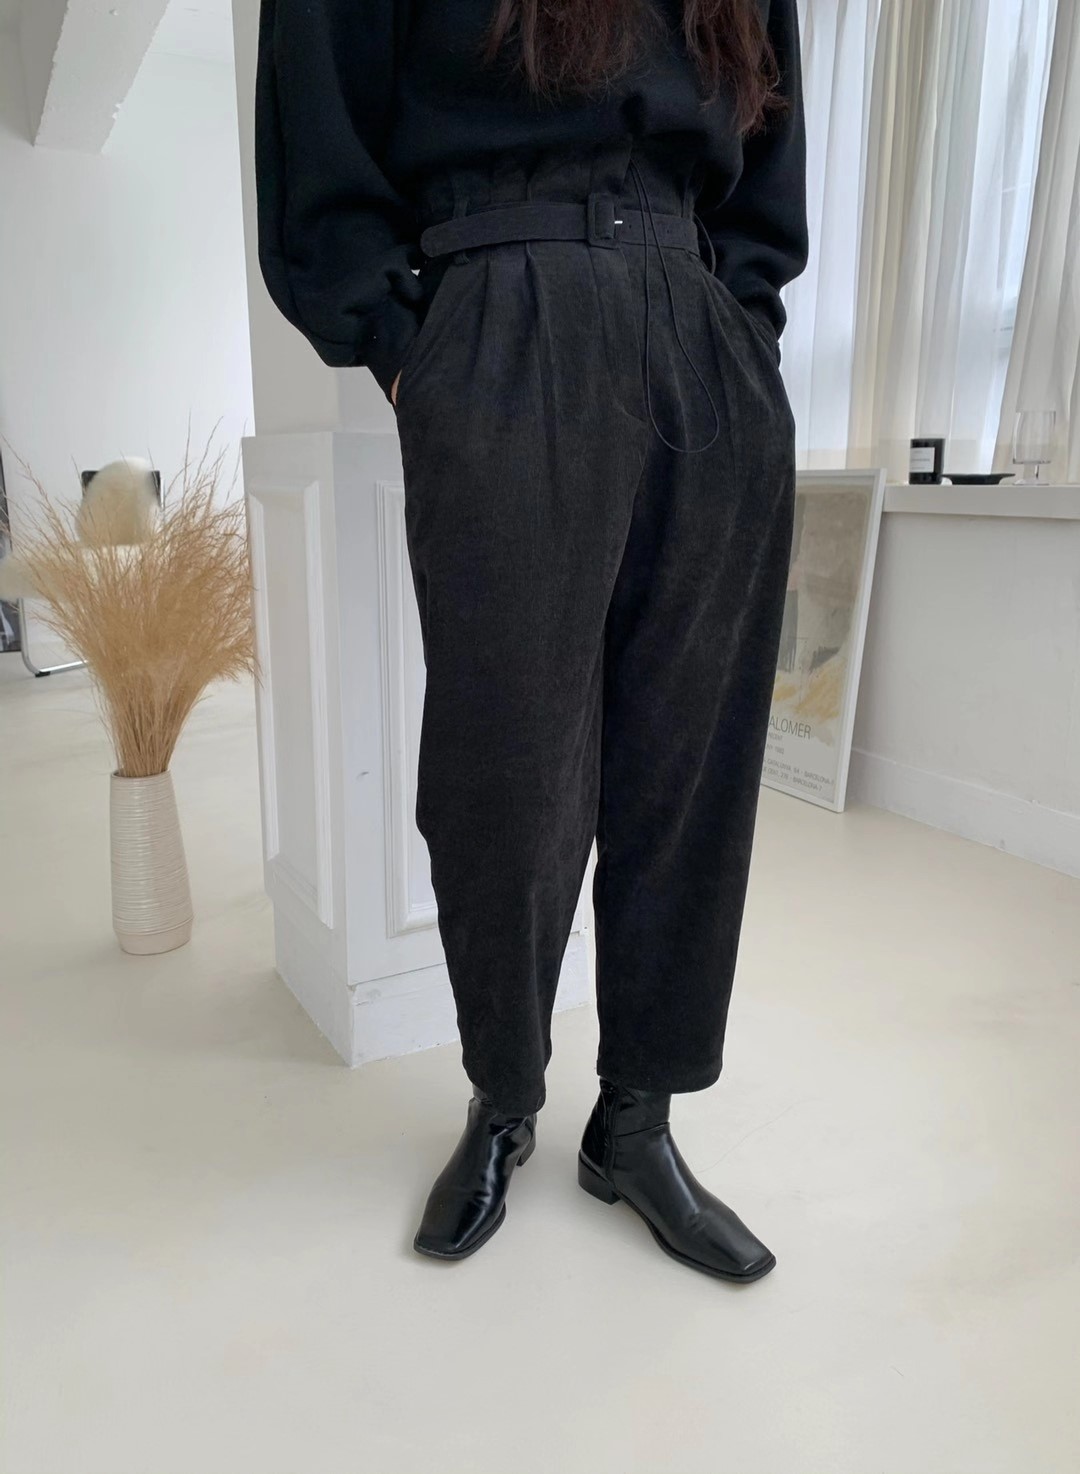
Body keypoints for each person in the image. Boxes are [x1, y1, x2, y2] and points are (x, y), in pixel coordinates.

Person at [255, 0, 807, 1281]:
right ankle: (504, 1096)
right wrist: (411, 352)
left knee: (688, 766)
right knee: (503, 775)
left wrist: (744, 329)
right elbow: (316, 121)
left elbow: (771, 153)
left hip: (700, 324)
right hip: (499, 312)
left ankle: (636, 1123)